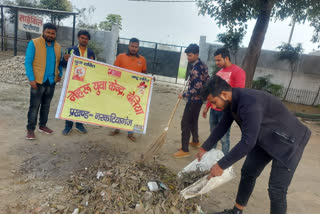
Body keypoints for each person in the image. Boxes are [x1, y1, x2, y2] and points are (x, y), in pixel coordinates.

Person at [197, 76, 311, 214]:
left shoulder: (249, 103)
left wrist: (221, 165)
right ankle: (237, 211)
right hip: (265, 137)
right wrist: (205, 147)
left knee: (276, 190)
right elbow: (222, 126)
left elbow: (247, 142)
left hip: (290, 141)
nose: (214, 107)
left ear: (224, 94)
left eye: (214, 102)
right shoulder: (232, 102)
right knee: (248, 172)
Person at [202, 48, 246, 155]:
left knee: (224, 138)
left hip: (225, 111)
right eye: (215, 60)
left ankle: (224, 163)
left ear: (226, 58)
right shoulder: (219, 73)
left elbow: (238, 94)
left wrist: (231, 111)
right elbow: (212, 92)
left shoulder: (238, 72)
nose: (216, 63)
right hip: (214, 110)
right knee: (213, 135)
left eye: (218, 60)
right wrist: (207, 107)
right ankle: (211, 158)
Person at [25, 23, 63, 140]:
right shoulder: (34, 43)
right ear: (43, 32)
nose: (50, 35)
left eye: (53, 33)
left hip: (51, 81)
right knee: (34, 106)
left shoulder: (58, 47)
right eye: (48, 32)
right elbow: (28, 62)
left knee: (46, 106)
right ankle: (31, 129)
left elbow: (59, 63)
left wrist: (59, 74)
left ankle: (42, 126)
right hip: (38, 81)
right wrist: (31, 79)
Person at [173, 43, 209, 158]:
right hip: (199, 100)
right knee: (193, 121)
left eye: (190, 55)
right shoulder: (202, 64)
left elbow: (197, 88)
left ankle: (185, 150)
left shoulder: (196, 68)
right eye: (187, 56)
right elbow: (206, 80)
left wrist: (184, 94)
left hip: (194, 100)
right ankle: (196, 141)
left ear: (197, 54)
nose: (188, 58)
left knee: (185, 123)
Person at [109, 37, 147, 142]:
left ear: (138, 48)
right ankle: (116, 128)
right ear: (128, 46)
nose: (134, 48)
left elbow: (144, 76)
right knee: (119, 109)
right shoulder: (120, 57)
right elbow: (114, 71)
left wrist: (149, 82)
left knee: (132, 111)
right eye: (132, 46)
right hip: (121, 89)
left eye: (136, 47)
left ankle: (130, 132)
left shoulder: (142, 60)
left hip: (134, 91)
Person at [61, 30, 96, 135]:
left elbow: (94, 68)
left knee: (82, 104)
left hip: (85, 83)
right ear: (78, 38)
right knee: (70, 102)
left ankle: (80, 125)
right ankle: (68, 126)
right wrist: (64, 59)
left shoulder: (91, 53)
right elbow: (63, 64)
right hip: (72, 81)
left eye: (86, 39)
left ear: (88, 40)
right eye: (82, 38)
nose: (84, 40)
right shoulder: (71, 50)